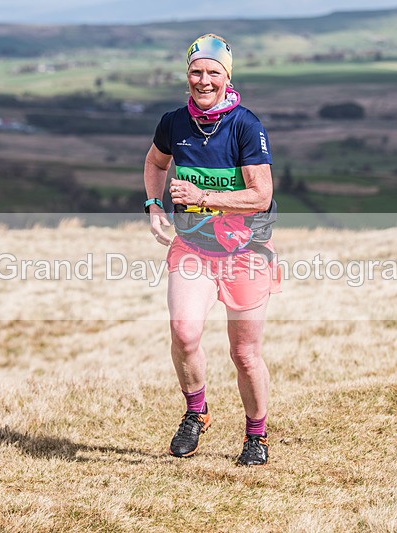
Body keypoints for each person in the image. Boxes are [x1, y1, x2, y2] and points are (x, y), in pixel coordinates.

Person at [143, 33, 280, 466]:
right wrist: (152, 204)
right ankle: (196, 411)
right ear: (187, 76)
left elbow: (260, 195)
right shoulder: (173, 122)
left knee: (244, 353)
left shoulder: (246, 126)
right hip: (193, 246)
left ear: (227, 77)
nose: (204, 80)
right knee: (184, 334)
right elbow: (155, 162)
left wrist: (201, 195)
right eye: (196, 71)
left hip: (246, 251)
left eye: (213, 72)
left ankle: (255, 436)